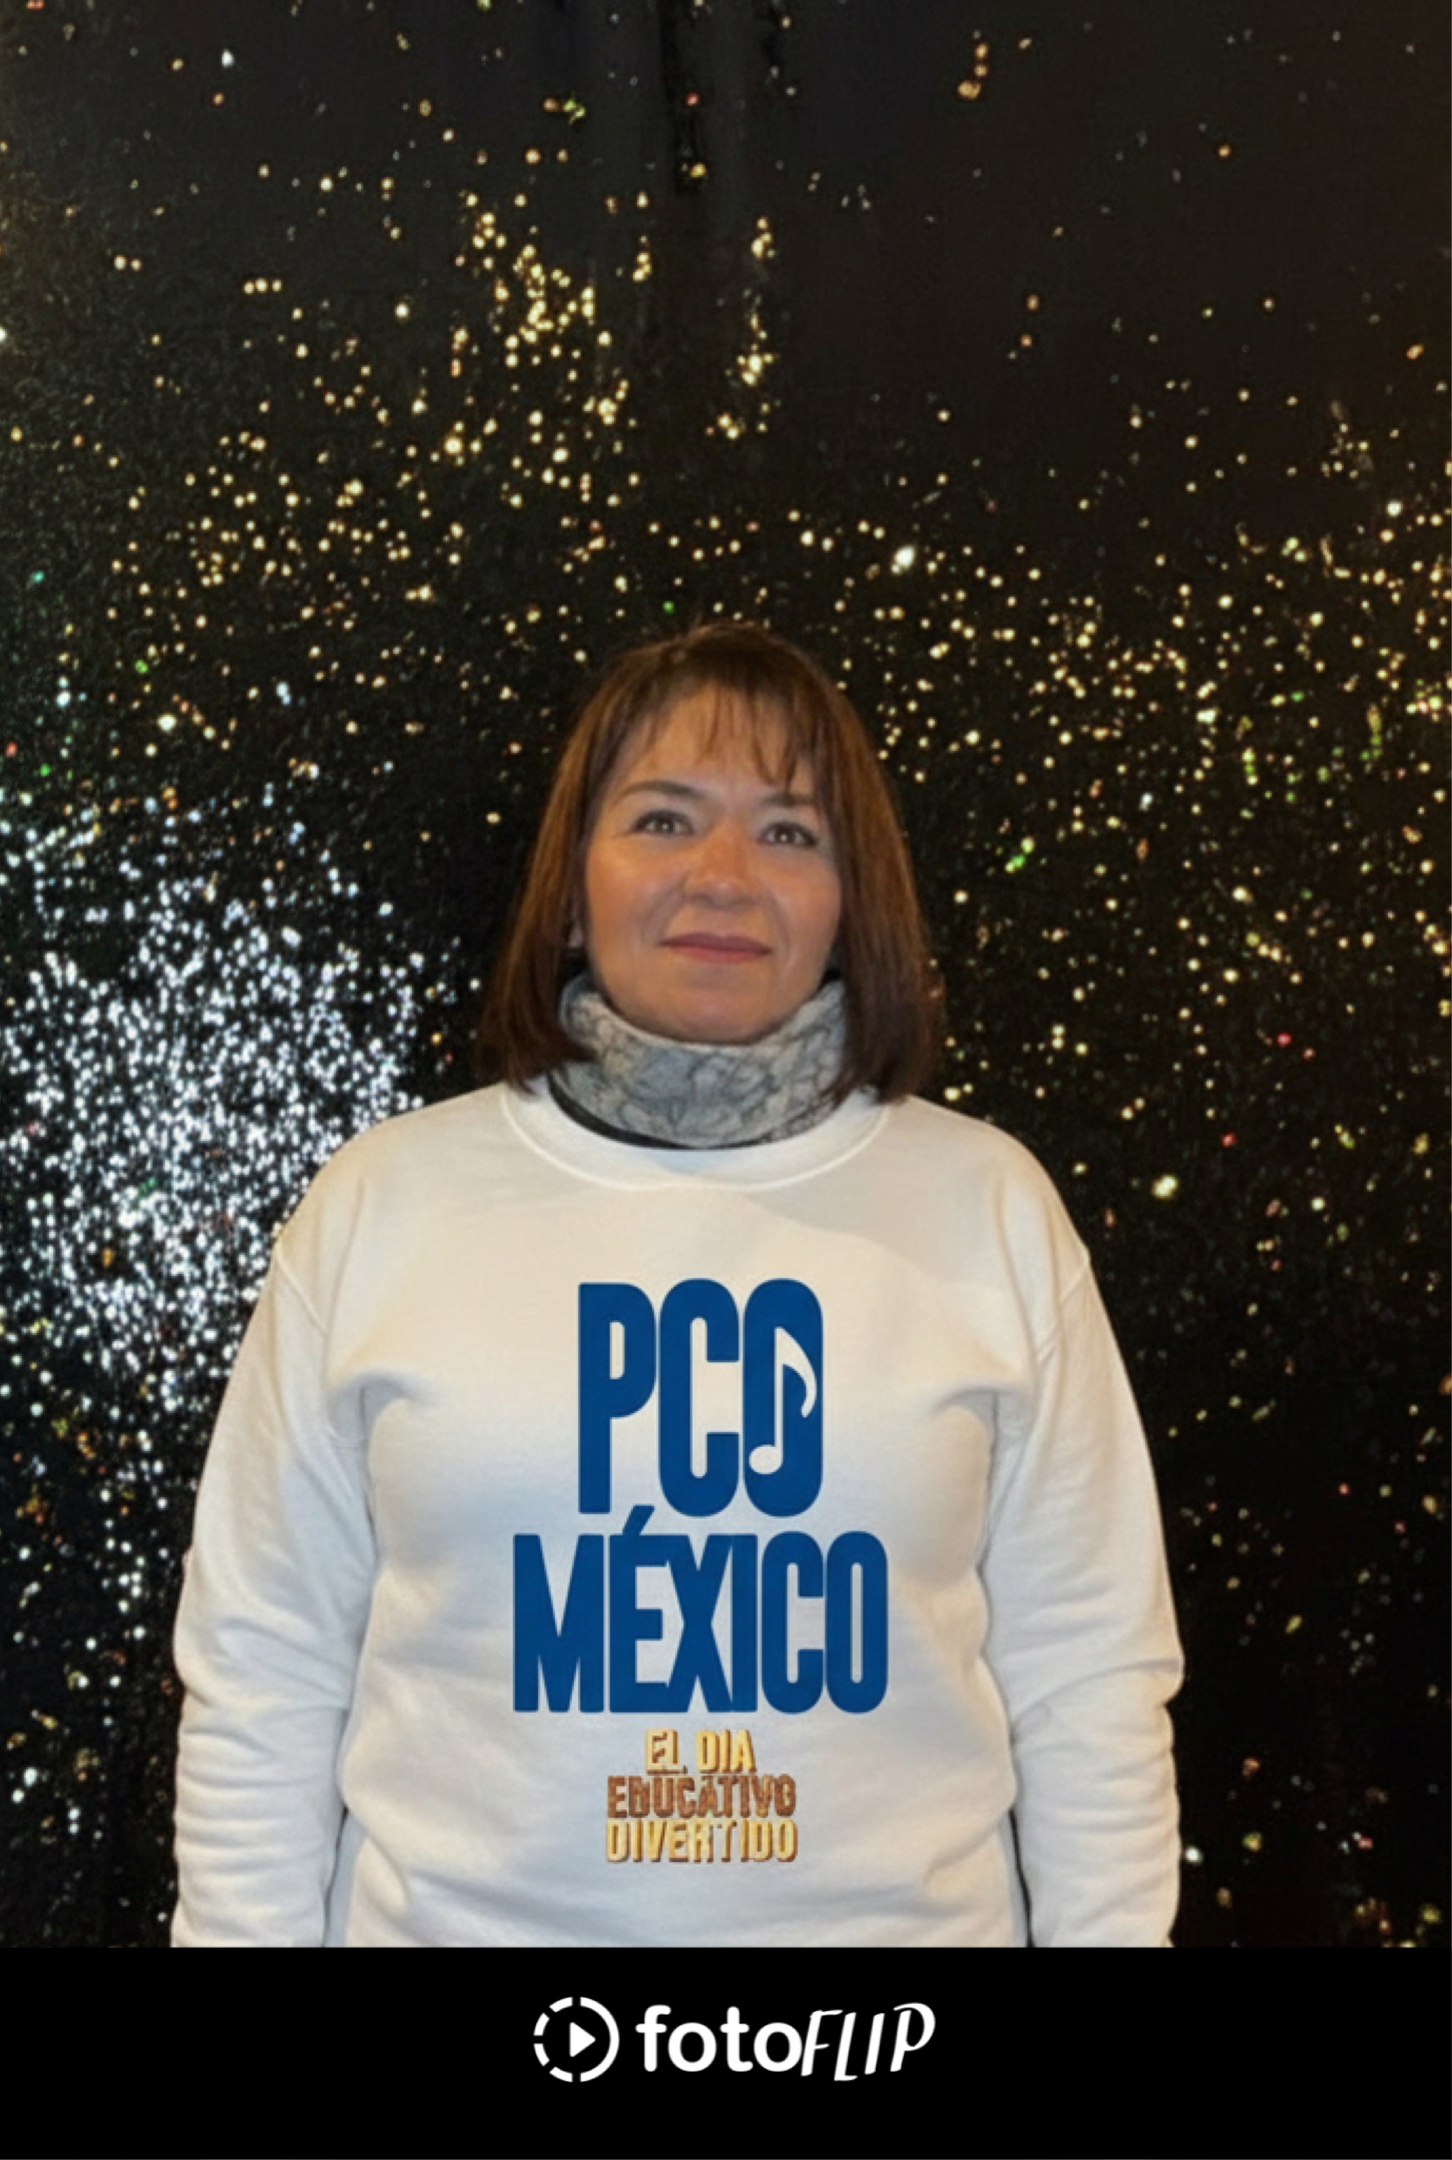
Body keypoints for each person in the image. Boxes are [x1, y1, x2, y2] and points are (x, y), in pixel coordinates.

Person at [172, 619, 1182, 1947]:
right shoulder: (381, 1206)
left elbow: (1089, 1679)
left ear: (850, 898)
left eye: (789, 832)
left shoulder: (990, 1209)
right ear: (571, 882)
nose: (723, 877)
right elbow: (263, 1669)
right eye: (663, 820)